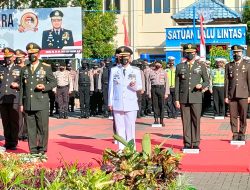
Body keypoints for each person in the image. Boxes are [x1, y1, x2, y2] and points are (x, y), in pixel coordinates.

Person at [19, 42, 57, 155]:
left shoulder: (46, 67)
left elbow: (53, 82)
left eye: (34, 53)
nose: (32, 55)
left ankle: (42, 149)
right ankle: (33, 150)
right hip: (28, 103)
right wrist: (21, 104)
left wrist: (45, 86)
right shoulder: (24, 69)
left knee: (42, 128)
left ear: (38, 53)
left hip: (41, 102)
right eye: (30, 53)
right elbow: (22, 87)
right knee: (30, 129)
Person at [175, 44, 209, 150]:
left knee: (196, 120)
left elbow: (207, 81)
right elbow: (177, 85)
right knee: (185, 121)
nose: (190, 54)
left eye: (192, 52)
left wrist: (201, 85)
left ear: (195, 53)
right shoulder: (180, 66)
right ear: (185, 53)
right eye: (188, 52)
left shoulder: (201, 66)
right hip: (183, 97)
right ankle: (187, 143)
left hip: (196, 97)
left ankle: (196, 142)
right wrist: (176, 99)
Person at [108, 46, 142, 150]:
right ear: (118, 58)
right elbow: (111, 87)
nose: (124, 59)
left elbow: (140, 87)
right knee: (119, 128)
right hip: (117, 103)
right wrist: (110, 102)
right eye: (122, 57)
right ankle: (121, 150)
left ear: (130, 58)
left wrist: (133, 85)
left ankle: (131, 150)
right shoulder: (114, 70)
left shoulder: (135, 70)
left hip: (131, 103)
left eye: (126, 56)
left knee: (130, 129)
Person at [225, 45, 250, 141]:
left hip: (244, 94)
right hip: (232, 95)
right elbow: (226, 81)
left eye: (238, 52)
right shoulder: (228, 65)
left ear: (242, 53)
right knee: (233, 116)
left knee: (243, 115)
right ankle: (235, 134)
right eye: (234, 52)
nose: (236, 54)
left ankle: (242, 133)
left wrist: (249, 95)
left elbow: (249, 81)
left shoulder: (247, 65)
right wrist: (226, 96)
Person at [0, 48, 21, 150]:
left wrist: (18, 85)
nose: (7, 59)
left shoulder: (19, 69)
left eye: (9, 57)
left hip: (14, 98)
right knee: (5, 121)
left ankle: (13, 142)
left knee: (14, 121)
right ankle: (8, 141)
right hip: (2, 98)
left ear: (13, 57)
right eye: (6, 57)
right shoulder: (1, 68)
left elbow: (24, 83)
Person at [147, 61, 169, 126]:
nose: (157, 65)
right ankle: (156, 120)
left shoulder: (164, 72)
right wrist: (149, 92)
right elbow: (149, 83)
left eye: (159, 64)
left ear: (161, 65)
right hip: (153, 89)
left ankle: (162, 120)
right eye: (156, 64)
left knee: (162, 105)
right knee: (155, 105)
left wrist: (166, 93)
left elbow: (166, 83)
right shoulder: (151, 72)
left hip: (161, 89)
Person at [15, 49, 28, 141]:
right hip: (16, 96)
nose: (18, 59)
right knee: (18, 116)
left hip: (26, 95)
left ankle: (26, 134)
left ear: (24, 58)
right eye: (17, 58)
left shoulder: (27, 68)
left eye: (20, 58)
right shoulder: (13, 68)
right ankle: (19, 134)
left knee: (27, 116)